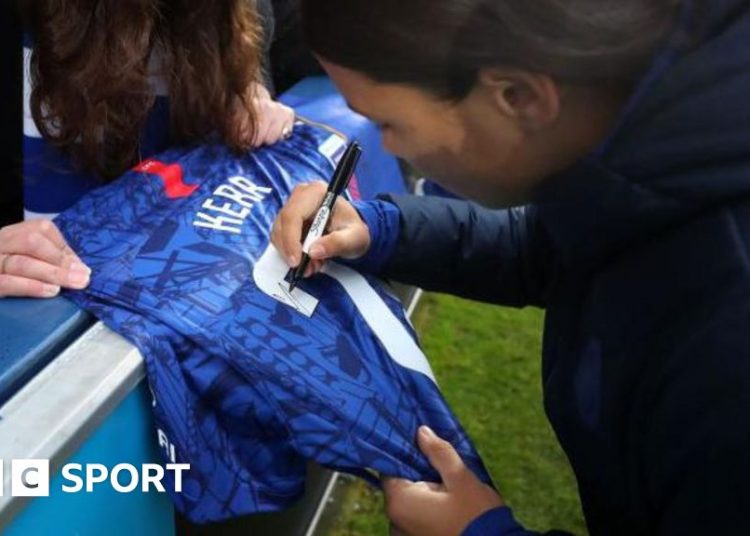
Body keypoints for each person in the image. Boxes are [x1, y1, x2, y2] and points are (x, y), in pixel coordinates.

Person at [271, 0, 750, 534]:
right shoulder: (647, 161)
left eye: (388, 122)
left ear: (517, 97)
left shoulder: (726, 348)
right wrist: (381, 229)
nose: (385, 145)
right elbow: (549, 247)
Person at [0, 0, 295, 299]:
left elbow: (321, 42)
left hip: (177, 276)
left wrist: (251, 94)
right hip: (43, 305)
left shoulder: (233, 12)